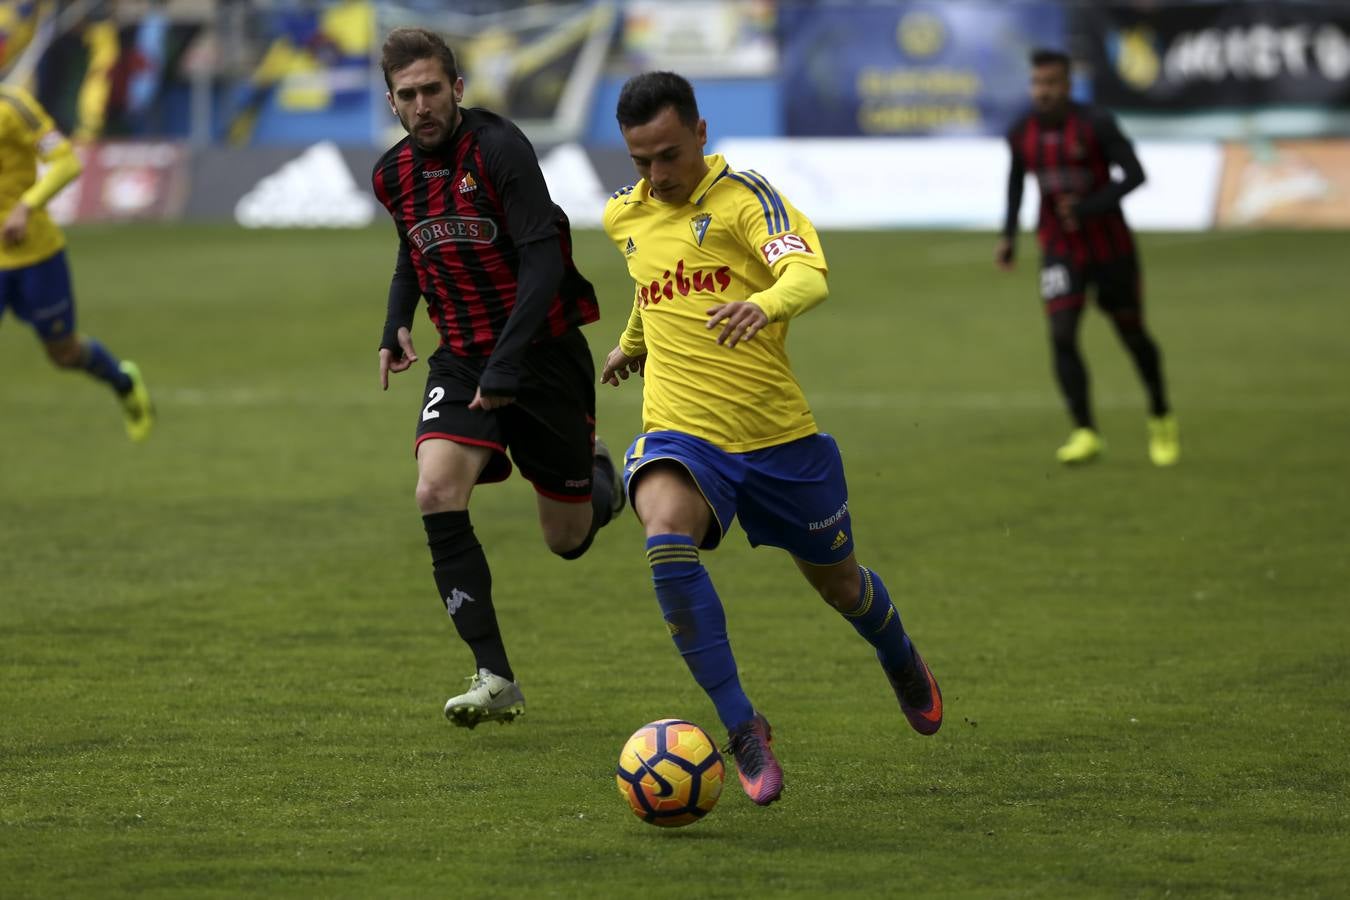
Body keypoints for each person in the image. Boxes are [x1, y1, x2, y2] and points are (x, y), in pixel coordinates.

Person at [599, 71, 942, 807]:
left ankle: (900, 655)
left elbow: (808, 276)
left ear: (700, 132)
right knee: (664, 531)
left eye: (667, 156)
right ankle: (741, 726)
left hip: (777, 438)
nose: (656, 177)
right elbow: (650, 280)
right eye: (639, 162)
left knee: (840, 585)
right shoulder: (624, 215)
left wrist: (761, 304)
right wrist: (632, 344)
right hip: (682, 432)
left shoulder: (748, 199)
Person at [371, 27, 622, 728]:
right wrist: (396, 322)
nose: (421, 106)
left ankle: (607, 479)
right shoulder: (391, 175)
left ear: (457, 88)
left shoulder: (501, 150)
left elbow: (543, 261)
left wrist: (510, 362)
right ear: (392, 101)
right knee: (435, 489)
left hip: (540, 355)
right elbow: (409, 255)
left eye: (431, 90)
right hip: (462, 355)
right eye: (406, 95)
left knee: (566, 539)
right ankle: (494, 674)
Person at [997, 48, 1178, 467]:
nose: (1044, 92)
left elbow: (1135, 175)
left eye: (1052, 83)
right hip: (1059, 250)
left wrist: (1088, 206)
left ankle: (1161, 416)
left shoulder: (1096, 123)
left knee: (1132, 334)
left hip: (1110, 248)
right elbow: (1015, 184)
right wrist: (1008, 236)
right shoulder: (1021, 131)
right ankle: (1085, 431)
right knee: (1061, 334)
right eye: (1038, 83)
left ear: (1068, 85)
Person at [0, 84, 153, 441]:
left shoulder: (14, 106)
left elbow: (66, 162)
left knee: (64, 352)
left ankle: (124, 383)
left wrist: (26, 206)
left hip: (34, 253)